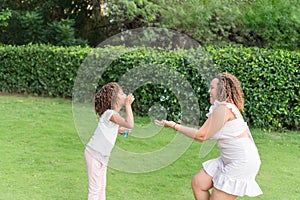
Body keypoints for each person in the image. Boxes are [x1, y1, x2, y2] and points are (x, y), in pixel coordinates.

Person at [155, 73, 263, 200]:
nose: (209, 91)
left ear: (221, 90)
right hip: (228, 159)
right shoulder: (221, 108)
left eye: (212, 88)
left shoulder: (224, 109)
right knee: (199, 182)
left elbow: (201, 135)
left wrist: (174, 126)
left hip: (241, 161)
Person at [84, 82, 135, 200]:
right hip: (94, 154)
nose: (125, 95)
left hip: (102, 156)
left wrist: (119, 131)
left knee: (102, 187)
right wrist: (128, 105)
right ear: (114, 99)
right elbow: (130, 124)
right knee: (95, 189)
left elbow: (106, 129)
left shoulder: (112, 116)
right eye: (122, 93)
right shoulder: (110, 114)